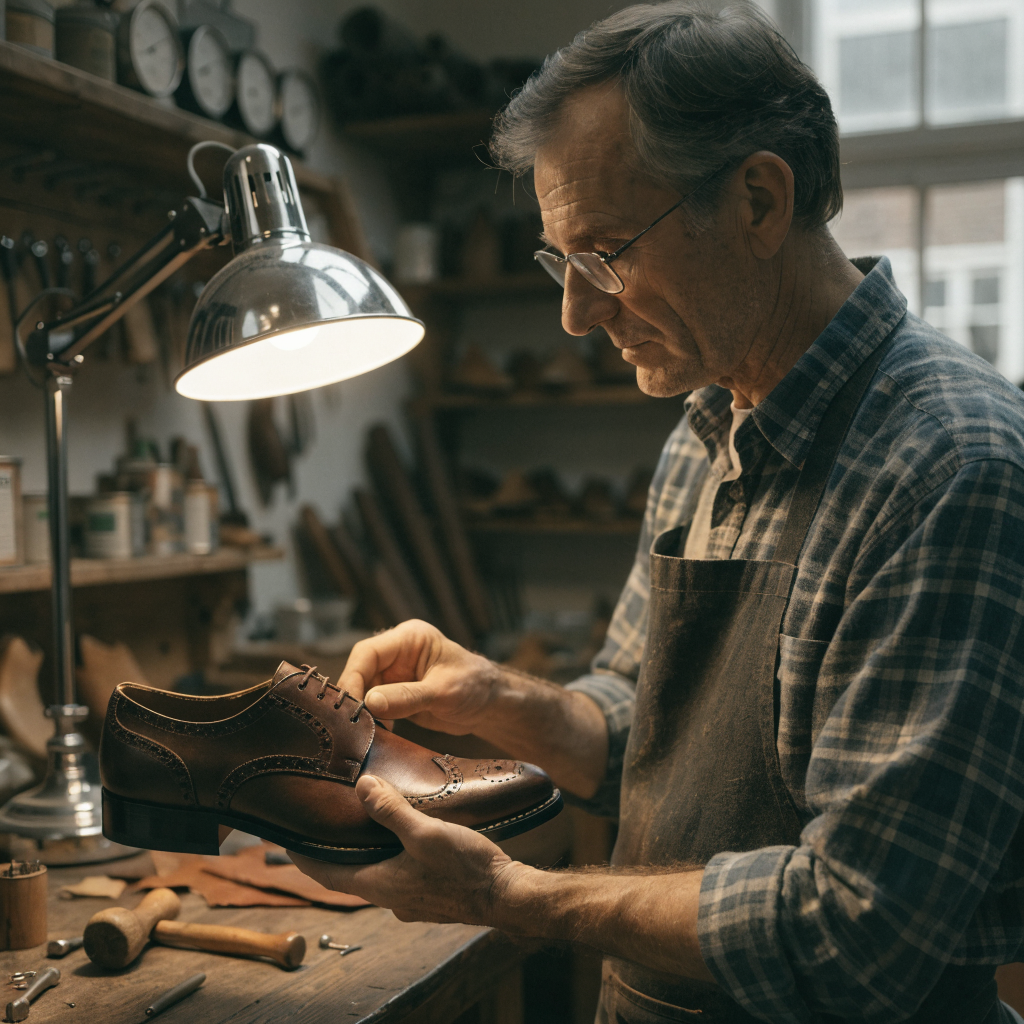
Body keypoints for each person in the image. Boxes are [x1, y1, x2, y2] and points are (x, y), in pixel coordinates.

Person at [292, 3, 1024, 1021]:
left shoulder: (949, 466)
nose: (576, 312)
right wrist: (501, 698)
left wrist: (512, 896)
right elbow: (646, 731)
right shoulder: (707, 424)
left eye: (603, 252)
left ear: (758, 201)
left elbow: (859, 931)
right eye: (562, 262)